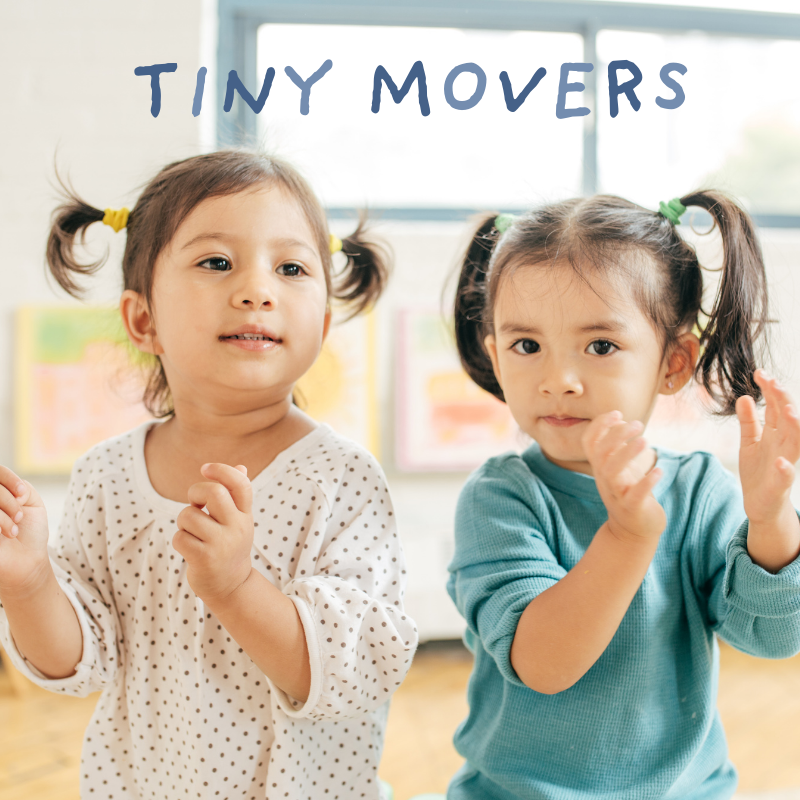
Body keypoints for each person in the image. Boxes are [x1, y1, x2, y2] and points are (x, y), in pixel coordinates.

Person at [0, 150, 417, 800]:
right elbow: (79, 665)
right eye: (216, 262)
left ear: (324, 324)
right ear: (144, 321)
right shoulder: (106, 478)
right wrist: (27, 582)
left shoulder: (340, 480)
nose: (257, 289)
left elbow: (352, 672)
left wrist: (235, 586)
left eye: (291, 268)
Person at [446, 192, 800, 799]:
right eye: (526, 346)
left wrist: (770, 523)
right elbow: (545, 665)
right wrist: (627, 535)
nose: (558, 380)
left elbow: (770, 638)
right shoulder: (501, 499)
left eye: (601, 346)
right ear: (494, 357)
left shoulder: (697, 491)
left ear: (674, 363)